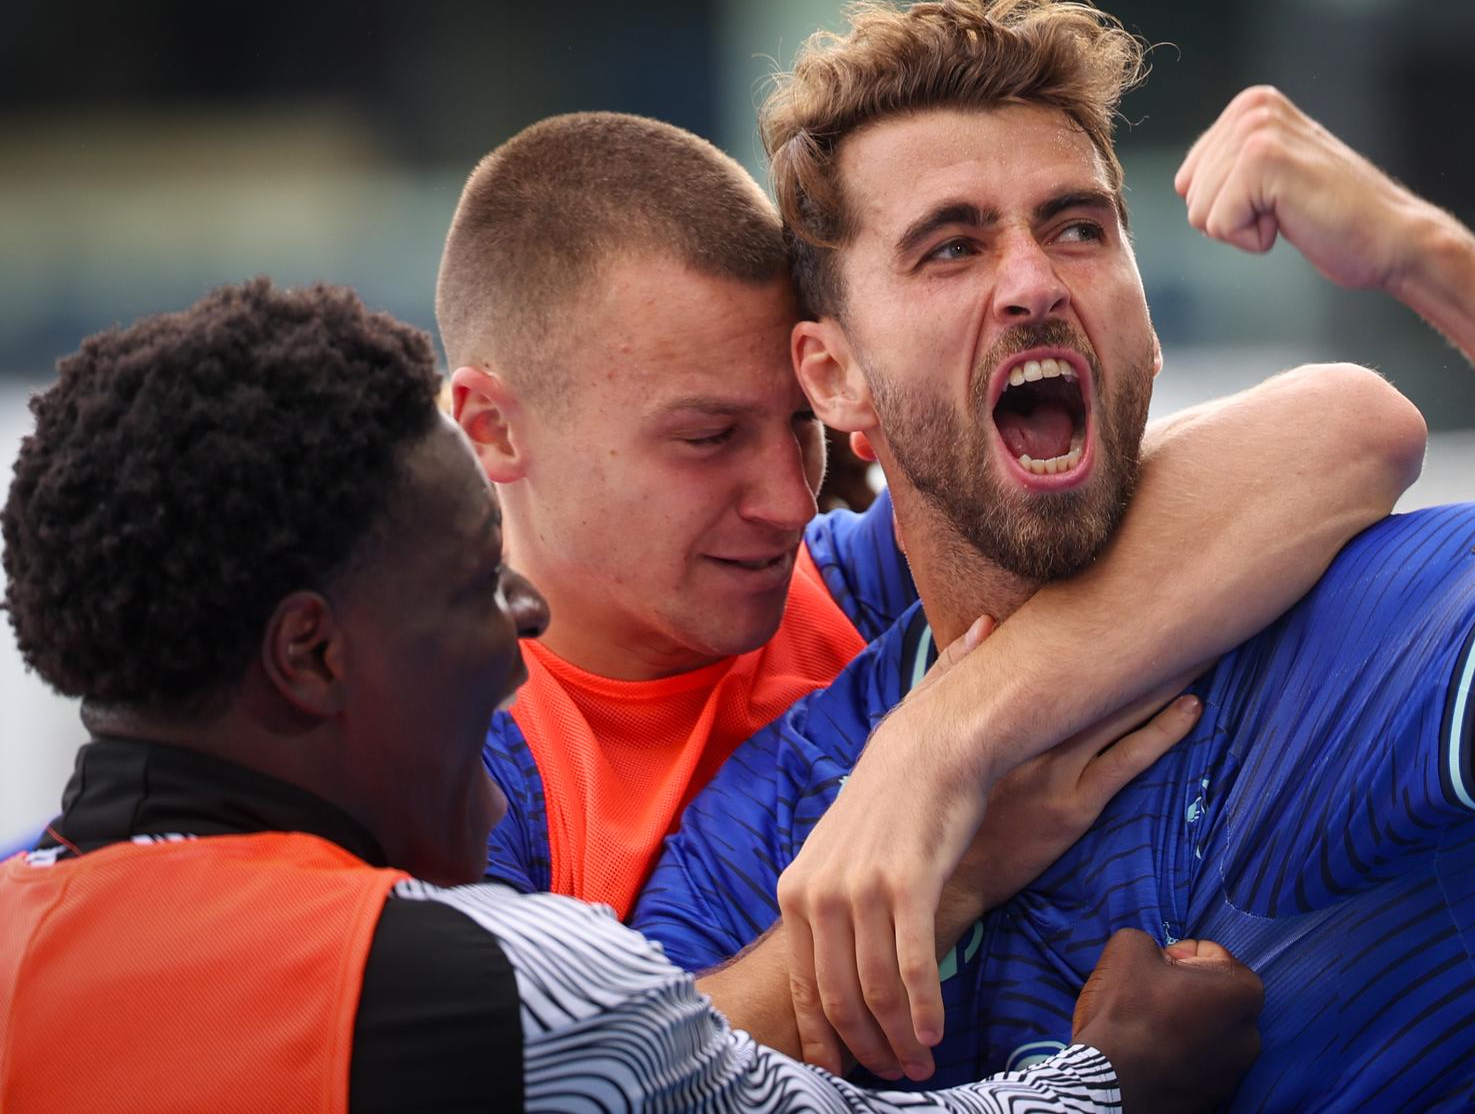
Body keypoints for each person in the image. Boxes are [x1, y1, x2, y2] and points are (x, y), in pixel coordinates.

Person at [632, 0, 1475, 1111]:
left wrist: (1429, 256)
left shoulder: (1350, 625)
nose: (1032, 283)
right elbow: (627, 1088)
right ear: (833, 373)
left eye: (1078, 228)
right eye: (952, 247)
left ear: (1143, 314)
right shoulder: (786, 807)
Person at [0, 278, 1266, 1113]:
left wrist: (938, 742)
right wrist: (1119, 1075)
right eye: (472, 589)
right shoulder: (485, 981)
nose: (527, 617)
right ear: (311, 656)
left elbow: (1325, 437)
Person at [437, 115, 1425, 949]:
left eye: (802, 424)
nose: (789, 500)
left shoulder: (857, 584)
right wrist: (956, 879)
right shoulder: (443, 770)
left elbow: (1343, 434)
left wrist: (939, 744)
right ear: (492, 428)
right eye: (707, 438)